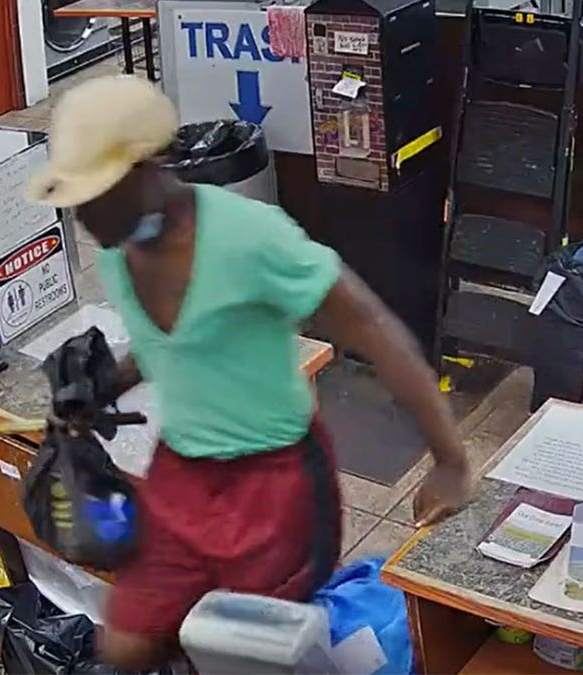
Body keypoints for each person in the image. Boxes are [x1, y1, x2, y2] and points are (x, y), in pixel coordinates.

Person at [28, 75, 470, 671]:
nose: (82, 217)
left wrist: (450, 459)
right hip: (184, 471)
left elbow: (372, 327)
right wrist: (100, 390)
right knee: (128, 643)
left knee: (252, 653)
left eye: (94, 196)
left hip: (276, 484)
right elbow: (170, 347)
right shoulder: (116, 248)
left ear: (150, 167)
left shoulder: (249, 238)